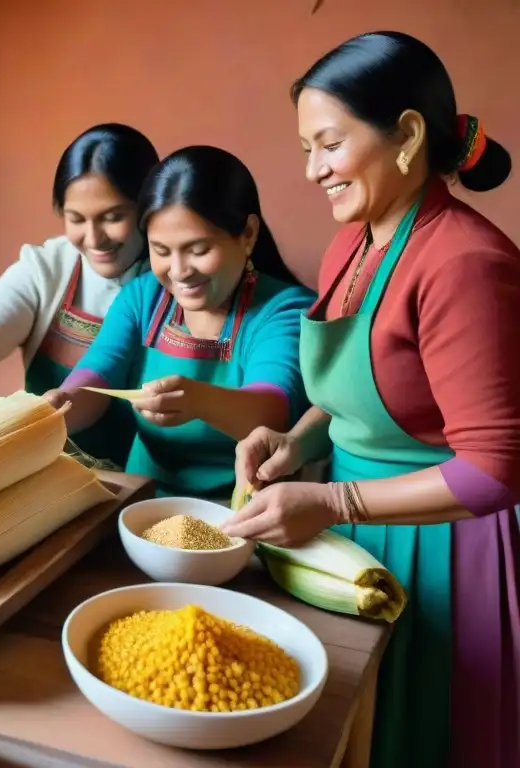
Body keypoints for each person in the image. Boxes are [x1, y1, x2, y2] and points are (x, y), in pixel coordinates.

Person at [221, 31, 519, 768]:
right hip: (356, 540)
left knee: (420, 734)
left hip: (445, 548)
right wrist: (301, 440)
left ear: (410, 135)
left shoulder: (464, 265)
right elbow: (364, 393)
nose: (314, 170)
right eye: (305, 149)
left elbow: (495, 470)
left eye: (329, 144)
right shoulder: (354, 242)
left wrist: (331, 503)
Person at [47, 146, 315, 499]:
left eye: (198, 250)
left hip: (246, 511)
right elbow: (98, 373)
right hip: (142, 504)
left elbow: (271, 410)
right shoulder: (142, 298)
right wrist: (57, 405)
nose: (178, 271)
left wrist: (199, 400)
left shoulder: (284, 310)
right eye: (160, 251)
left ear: (248, 234)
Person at [0, 124, 160, 467]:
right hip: (44, 469)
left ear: (148, 208)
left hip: (146, 487)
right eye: (76, 218)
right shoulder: (48, 266)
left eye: (113, 217)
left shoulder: (177, 280)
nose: (94, 238)